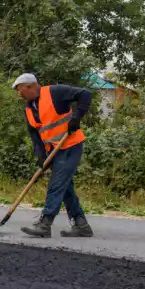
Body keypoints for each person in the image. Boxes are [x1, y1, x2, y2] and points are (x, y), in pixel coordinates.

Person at [13, 73, 94, 238]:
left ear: (30, 87)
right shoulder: (29, 109)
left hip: (70, 145)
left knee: (57, 184)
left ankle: (45, 223)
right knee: (65, 188)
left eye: (20, 91)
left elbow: (85, 94)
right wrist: (41, 158)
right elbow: (35, 136)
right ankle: (81, 225)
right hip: (54, 150)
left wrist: (77, 118)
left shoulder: (55, 92)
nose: (18, 95)